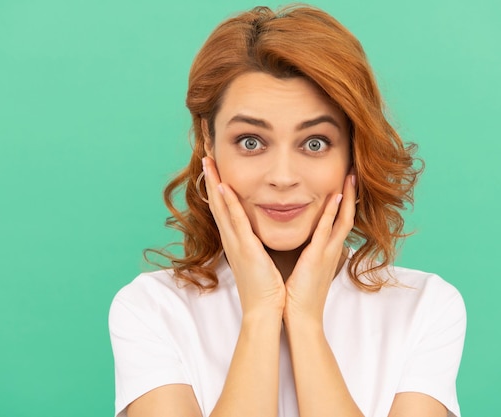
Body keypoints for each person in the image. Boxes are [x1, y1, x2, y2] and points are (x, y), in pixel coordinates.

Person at [109, 4, 466, 417]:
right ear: (207, 142)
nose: (282, 177)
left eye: (315, 142)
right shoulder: (153, 310)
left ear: (352, 150)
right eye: (250, 141)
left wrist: (306, 323)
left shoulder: (424, 308)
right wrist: (261, 314)